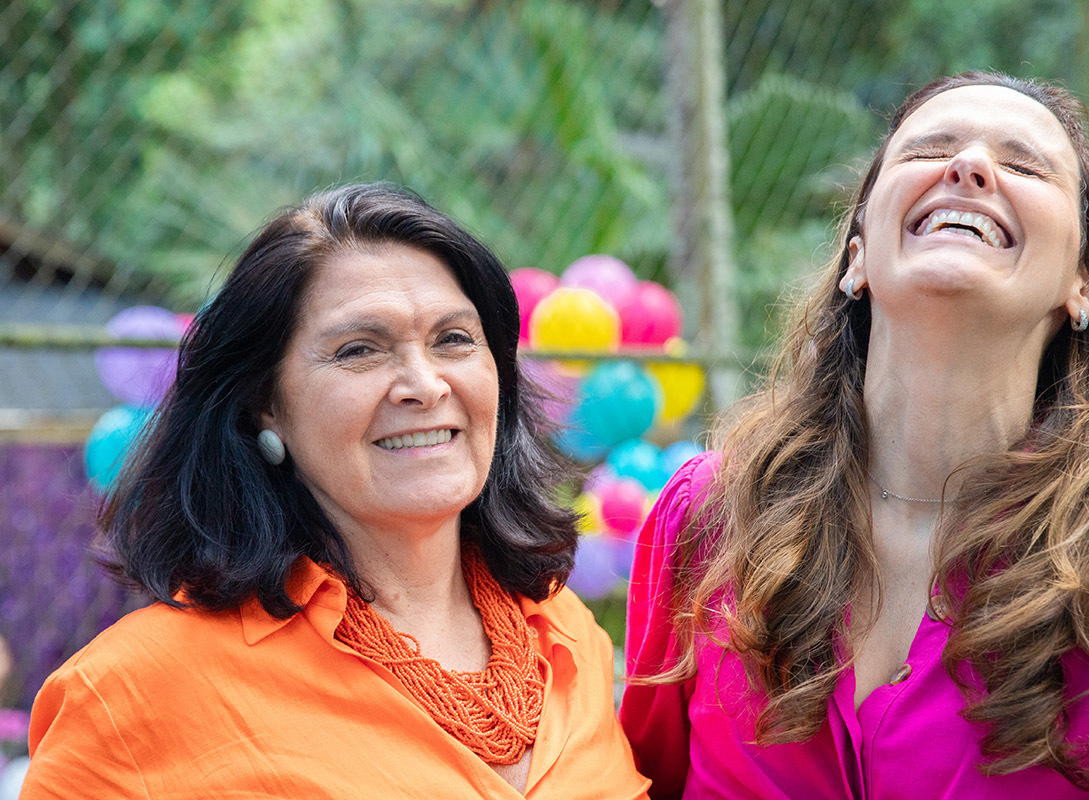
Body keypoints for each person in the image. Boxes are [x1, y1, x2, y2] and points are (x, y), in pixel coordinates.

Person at [621, 72, 1089, 799]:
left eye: (1023, 165)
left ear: (1083, 285)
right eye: (928, 150)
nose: (970, 166)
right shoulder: (706, 521)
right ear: (858, 255)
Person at [21, 183, 650, 798]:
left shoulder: (566, 631)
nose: (425, 384)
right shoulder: (131, 696)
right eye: (359, 350)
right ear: (266, 404)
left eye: (454, 339)